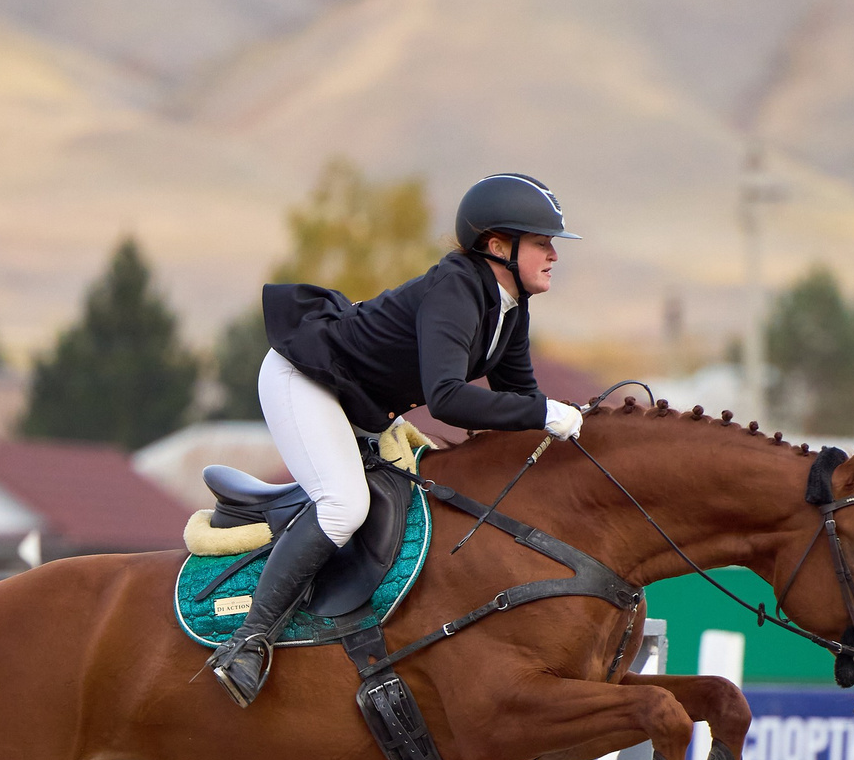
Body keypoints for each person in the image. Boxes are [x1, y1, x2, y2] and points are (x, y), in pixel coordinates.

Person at [206, 172, 591, 707]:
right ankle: (248, 641)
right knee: (343, 506)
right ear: (498, 246)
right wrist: (545, 412)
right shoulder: (457, 288)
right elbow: (449, 398)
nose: (554, 255)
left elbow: (519, 398)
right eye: (542, 243)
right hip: (306, 378)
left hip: (358, 403)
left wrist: (571, 431)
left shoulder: (510, 307)